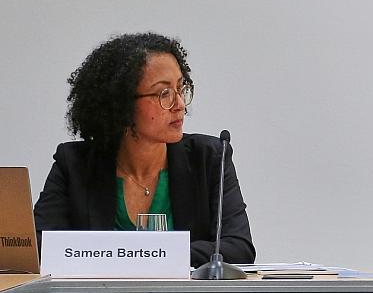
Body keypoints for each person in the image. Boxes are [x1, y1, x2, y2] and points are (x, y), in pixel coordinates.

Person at [34, 33, 255, 266]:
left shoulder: (210, 158)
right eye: (164, 93)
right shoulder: (74, 164)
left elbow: (238, 249)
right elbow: (37, 246)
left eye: (181, 88)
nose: (179, 105)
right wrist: (144, 254)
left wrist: (147, 254)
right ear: (122, 103)